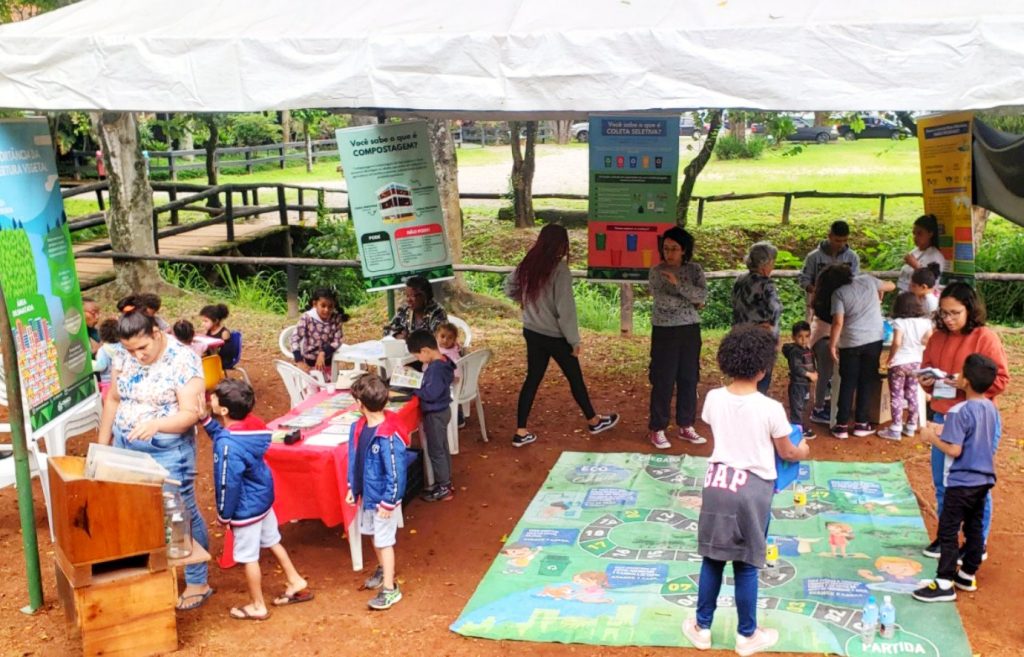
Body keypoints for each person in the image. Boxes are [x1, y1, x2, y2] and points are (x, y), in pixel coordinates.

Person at [681, 326, 809, 656]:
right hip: (752, 490)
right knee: (747, 563)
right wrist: (803, 450)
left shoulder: (713, 398)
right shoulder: (771, 409)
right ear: (763, 369)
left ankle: (702, 628)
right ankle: (746, 635)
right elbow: (787, 451)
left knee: (712, 558)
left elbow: (720, 427)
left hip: (717, 484)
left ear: (727, 360)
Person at [96, 309, 211, 611]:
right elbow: (114, 398)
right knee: (135, 507)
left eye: (142, 347)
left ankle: (197, 580)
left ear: (157, 334)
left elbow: (190, 414)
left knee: (180, 511)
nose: (137, 355)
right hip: (125, 442)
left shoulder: (183, 360)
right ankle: (148, 571)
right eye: (130, 349)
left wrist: (157, 424)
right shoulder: (123, 355)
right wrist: (103, 443)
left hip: (167, 449)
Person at [199, 379, 311, 620]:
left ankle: (258, 605)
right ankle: (295, 580)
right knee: (273, 541)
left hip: (245, 508)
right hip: (262, 499)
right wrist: (206, 421)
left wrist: (224, 515)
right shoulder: (253, 426)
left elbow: (228, 482)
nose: (211, 399)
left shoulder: (228, 444)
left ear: (224, 410)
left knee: (248, 558)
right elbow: (228, 438)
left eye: (214, 398)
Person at [505, 224, 619, 447]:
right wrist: (574, 340)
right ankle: (594, 421)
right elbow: (565, 309)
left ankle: (521, 431)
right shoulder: (559, 269)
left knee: (532, 379)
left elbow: (509, 286)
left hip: (532, 330)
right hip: (555, 336)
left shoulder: (528, 263)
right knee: (574, 378)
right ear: (561, 244)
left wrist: (525, 300)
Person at [918, 283, 1008, 559]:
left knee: (974, 486)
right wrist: (927, 381)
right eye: (943, 313)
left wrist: (965, 383)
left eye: (955, 313)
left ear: (970, 309)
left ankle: (975, 543)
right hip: (943, 416)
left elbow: (1001, 380)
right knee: (943, 483)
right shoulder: (937, 338)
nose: (948, 319)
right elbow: (926, 375)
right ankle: (947, 538)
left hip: (977, 421)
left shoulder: (985, 338)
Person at [913, 354, 1000, 602]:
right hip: (983, 481)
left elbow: (954, 449)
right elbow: (969, 433)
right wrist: (940, 429)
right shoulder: (991, 409)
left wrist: (931, 437)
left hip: (961, 482)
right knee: (974, 527)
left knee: (948, 530)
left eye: (961, 373)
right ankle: (967, 574)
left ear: (966, 382)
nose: (958, 376)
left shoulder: (958, 410)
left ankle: (944, 581)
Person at [346, 373, 410, 610]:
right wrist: (353, 486)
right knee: (374, 535)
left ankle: (390, 589)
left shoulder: (388, 435)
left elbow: (396, 472)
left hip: (383, 500)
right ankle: (384, 569)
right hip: (368, 495)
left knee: (384, 541)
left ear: (359, 404)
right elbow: (355, 459)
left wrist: (389, 501)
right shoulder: (358, 427)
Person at [647, 226, 707, 449]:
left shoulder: (694, 270)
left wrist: (678, 285)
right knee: (663, 379)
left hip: (690, 330)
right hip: (665, 330)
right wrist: (691, 301)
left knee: (689, 378)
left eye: (674, 248)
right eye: (665, 248)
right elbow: (663, 302)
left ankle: (686, 424)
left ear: (684, 250)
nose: (669, 253)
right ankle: (657, 428)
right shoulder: (656, 271)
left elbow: (702, 295)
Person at [824, 265, 896, 439]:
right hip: (873, 339)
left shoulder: (838, 293)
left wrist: (832, 345)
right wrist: (880, 291)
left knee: (847, 382)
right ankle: (861, 423)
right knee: (866, 380)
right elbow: (891, 285)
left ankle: (841, 425)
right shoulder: (868, 280)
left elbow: (838, 322)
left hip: (850, 342)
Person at [407, 330, 457, 502]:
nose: (419, 360)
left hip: (435, 413)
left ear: (425, 351)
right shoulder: (443, 362)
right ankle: (446, 482)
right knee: (442, 448)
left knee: (436, 451)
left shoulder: (435, 369)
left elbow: (431, 393)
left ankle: (443, 487)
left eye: (417, 356)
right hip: (443, 410)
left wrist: (414, 389)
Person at [879, 292, 933, 440]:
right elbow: (928, 339)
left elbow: (897, 342)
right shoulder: (925, 322)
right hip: (916, 363)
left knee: (897, 395)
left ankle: (895, 428)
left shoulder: (899, 322)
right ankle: (911, 426)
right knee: (912, 394)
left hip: (899, 362)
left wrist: (890, 358)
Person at [731, 241, 782, 396]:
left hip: (739, 334)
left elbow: (734, 303)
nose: (773, 266)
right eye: (772, 262)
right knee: (761, 377)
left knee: (742, 375)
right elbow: (775, 309)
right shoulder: (766, 283)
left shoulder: (740, 279)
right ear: (764, 264)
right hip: (761, 336)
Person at [797, 220, 860, 321]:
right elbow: (804, 279)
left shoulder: (852, 257)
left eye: (845, 240)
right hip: (819, 306)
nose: (841, 244)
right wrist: (816, 291)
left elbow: (855, 280)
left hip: (844, 304)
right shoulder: (813, 257)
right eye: (837, 241)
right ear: (829, 236)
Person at [291, 287, 349, 377]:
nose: (327, 310)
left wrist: (323, 353)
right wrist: (299, 361)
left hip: (328, 361)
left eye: (330, 306)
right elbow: (295, 338)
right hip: (309, 363)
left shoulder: (336, 318)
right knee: (313, 384)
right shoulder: (307, 317)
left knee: (329, 383)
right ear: (315, 304)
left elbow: (338, 340)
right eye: (323, 306)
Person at [782, 321, 817, 438]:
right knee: (797, 407)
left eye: (807, 336)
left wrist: (814, 371)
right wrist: (809, 374)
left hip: (805, 384)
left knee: (803, 405)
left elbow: (811, 363)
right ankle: (796, 430)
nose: (804, 340)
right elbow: (796, 367)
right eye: (800, 337)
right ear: (793, 337)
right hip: (797, 385)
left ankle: (799, 427)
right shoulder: (795, 352)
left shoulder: (807, 350)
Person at [897, 214, 947, 293]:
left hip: (920, 299)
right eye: (914, 233)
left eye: (919, 233)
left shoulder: (935, 256)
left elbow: (931, 282)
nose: (915, 237)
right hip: (905, 295)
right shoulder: (914, 251)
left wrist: (916, 266)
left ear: (930, 234)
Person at [434, 321, 466, 428]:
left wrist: (454, 377)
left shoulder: (453, 353)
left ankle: (457, 415)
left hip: (451, 382)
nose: (445, 340)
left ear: (454, 339)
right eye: (442, 336)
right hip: (437, 378)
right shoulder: (434, 348)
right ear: (436, 336)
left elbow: (457, 367)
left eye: (450, 338)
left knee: (451, 397)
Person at [199, 303, 238, 369]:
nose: (203, 324)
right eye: (202, 321)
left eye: (206, 321)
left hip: (222, 360)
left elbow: (227, 352)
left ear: (216, 321)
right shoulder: (209, 331)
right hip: (212, 357)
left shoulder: (224, 333)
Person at [91, 318, 119, 398]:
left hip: (108, 384)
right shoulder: (122, 347)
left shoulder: (103, 350)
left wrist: (89, 363)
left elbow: (101, 366)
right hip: (121, 381)